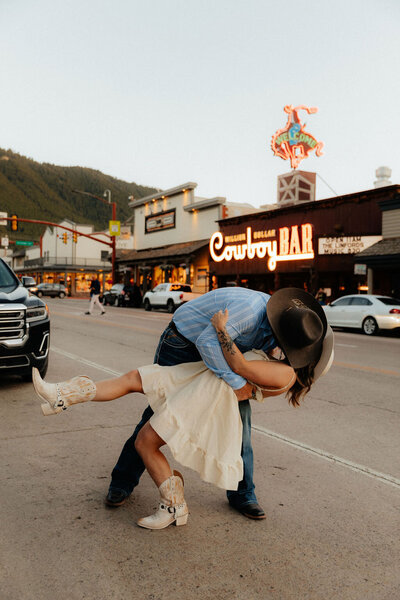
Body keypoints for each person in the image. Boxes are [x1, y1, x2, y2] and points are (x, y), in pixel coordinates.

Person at [32, 288, 334, 529]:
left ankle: (238, 494)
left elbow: (239, 364)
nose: (285, 350)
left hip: (213, 380)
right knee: (149, 402)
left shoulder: (283, 364)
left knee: (163, 418)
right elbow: (214, 347)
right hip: (186, 342)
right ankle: (114, 469)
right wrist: (234, 375)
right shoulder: (253, 314)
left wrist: (233, 367)